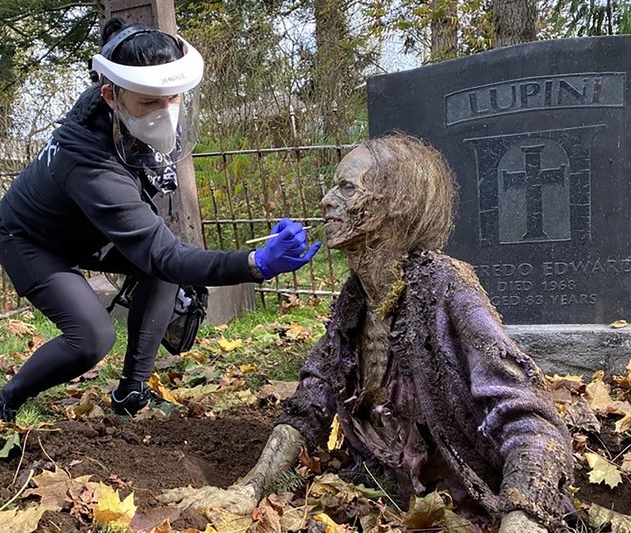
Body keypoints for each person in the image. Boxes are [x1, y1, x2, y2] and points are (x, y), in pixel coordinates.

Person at [158, 133, 574, 533]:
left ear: (401, 202)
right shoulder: (357, 298)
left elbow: (532, 422)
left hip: (460, 509)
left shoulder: (446, 287)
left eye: (346, 188)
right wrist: (248, 490)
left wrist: (523, 516)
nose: (326, 200)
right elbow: (311, 401)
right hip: (381, 496)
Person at [0, 18, 320, 437]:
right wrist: (254, 263)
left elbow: (160, 256)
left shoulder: (117, 109)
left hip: (87, 227)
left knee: (160, 273)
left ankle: (130, 393)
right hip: (31, 238)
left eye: (173, 99)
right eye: (150, 102)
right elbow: (164, 252)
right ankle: (1, 402)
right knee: (91, 338)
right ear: (111, 97)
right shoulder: (87, 162)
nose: (165, 113)